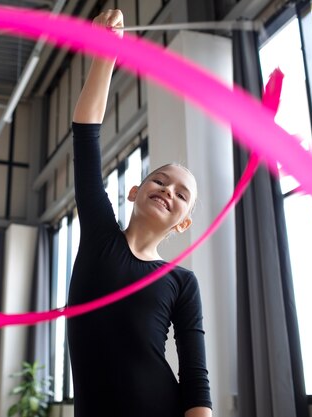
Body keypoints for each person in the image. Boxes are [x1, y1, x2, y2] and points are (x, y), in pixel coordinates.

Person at [66, 9, 213, 417]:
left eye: (181, 194)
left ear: (183, 222)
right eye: (160, 180)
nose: (167, 190)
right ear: (135, 191)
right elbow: (86, 135)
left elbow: (196, 380)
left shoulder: (182, 283)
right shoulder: (101, 238)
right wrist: (105, 55)